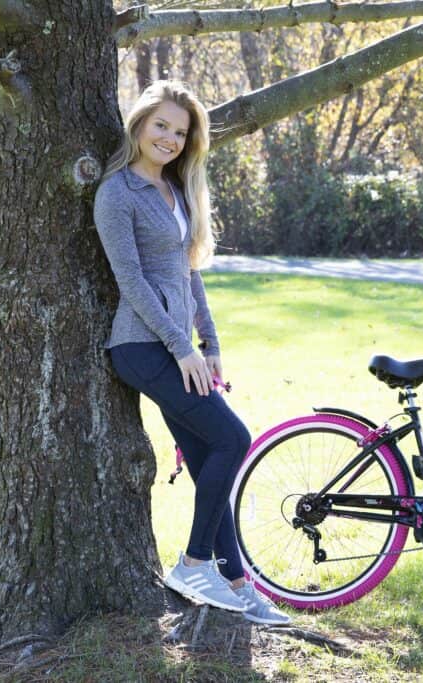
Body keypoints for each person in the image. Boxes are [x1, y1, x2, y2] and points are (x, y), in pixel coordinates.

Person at [93, 80, 289, 626]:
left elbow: (188, 272)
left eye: (181, 132)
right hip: (139, 346)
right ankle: (193, 563)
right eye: (162, 126)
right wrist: (183, 351)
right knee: (233, 438)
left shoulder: (176, 190)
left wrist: (211, 345)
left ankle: (236, 584)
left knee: (209, 460)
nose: (171, 139)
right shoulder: (116, 193)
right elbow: (130, 280)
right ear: (139, 125)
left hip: (177, 349)